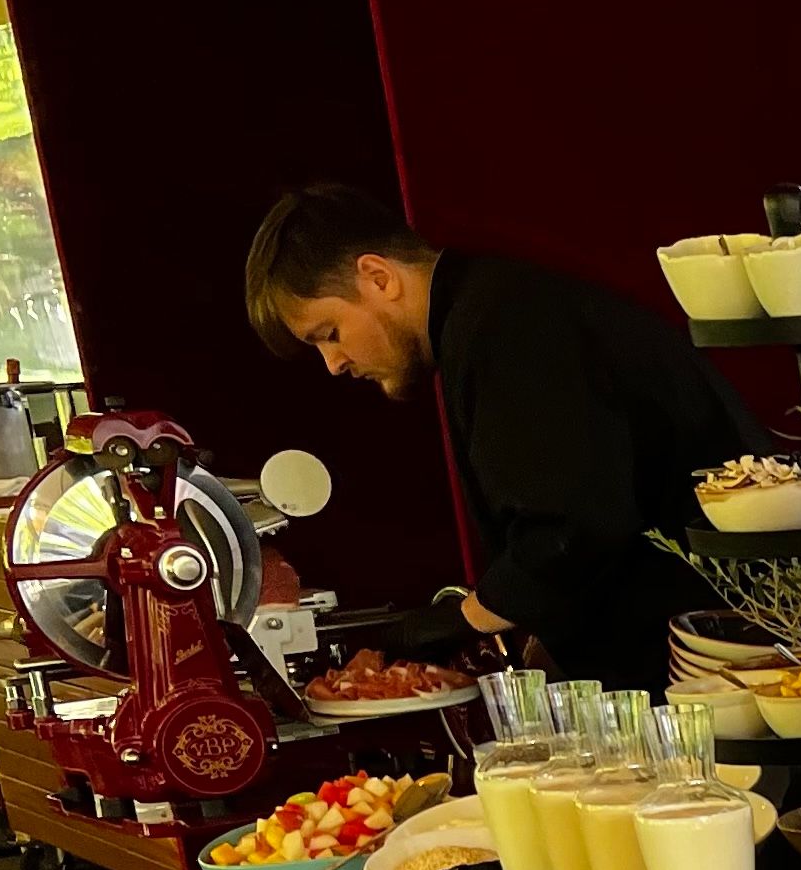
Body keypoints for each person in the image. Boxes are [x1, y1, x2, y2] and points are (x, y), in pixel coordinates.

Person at [245, 183, 760, 690]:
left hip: (727, 658)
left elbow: (569, 531)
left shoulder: (503, 325)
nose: (333, 364)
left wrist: (462, 620)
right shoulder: (490, 305)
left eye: (329, 334)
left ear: (378, 278)